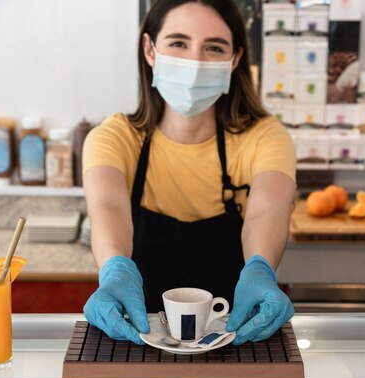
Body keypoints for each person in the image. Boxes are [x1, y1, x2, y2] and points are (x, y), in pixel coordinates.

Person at [82, 0, 296, 346]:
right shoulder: (114, 138)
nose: (195, 62)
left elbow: (267, 210)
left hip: (231, 335)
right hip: (139, 337)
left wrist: (261, 268)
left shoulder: (265, 137)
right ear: (150, 49)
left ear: (235, 59)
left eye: (213, 48)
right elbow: (108, 208)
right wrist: (114, 269)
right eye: (179, 43)